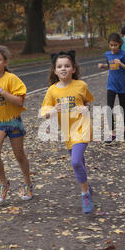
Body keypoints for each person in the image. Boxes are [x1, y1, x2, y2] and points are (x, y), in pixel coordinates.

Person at [41, 51, 95, 214]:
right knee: (80, 162)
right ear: (55, 71)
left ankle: (85, 194)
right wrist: (53, 110)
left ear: (73, 69)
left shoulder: (81, 85)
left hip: (82, 128)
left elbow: (88, 102)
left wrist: (86, 108)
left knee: (76, 162)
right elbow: (44, 114)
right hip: (67, 131)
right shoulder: (52, 91)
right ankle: (87, 186)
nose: (63, 69)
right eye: (59, 66)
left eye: (67, 66)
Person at [0, 45, 33, 204]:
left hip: (14, 121)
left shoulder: (12, 79)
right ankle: (4, 184)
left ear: (5, 61)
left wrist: (1, 90)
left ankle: (27, 183)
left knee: (19, 155)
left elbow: (19, 101)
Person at [98, 33, 125, 143]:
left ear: (120, 44)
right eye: (111, 45)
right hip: (111, 85)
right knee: (109, 108)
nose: (113, 47)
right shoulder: (107, 54)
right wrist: (103, 66)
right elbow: (110, 65)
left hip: (122, 85)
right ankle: (111, 133)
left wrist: (121, 64)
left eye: (115, 45)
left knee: (122, 108)